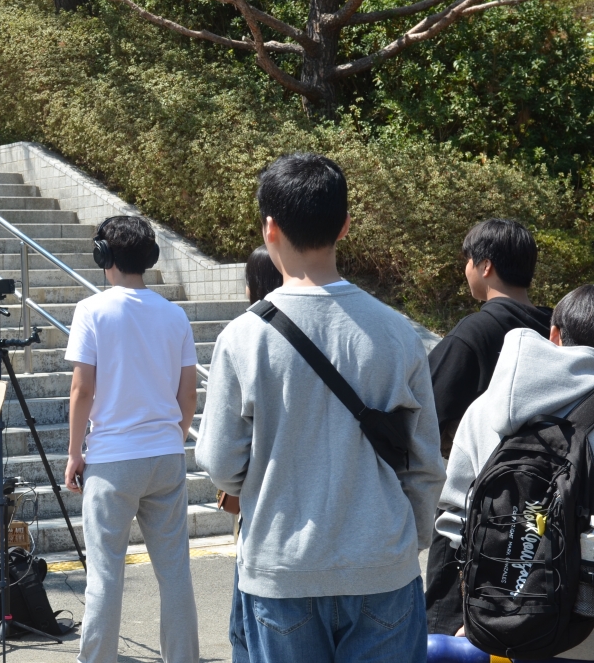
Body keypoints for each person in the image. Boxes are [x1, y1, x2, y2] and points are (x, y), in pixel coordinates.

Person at [197, 153, 445, 663]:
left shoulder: (243, 338)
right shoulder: (398, 333)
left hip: (282, 570)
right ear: (345, 225)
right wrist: (408, 541)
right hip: (382, 566)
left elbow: (220, 462)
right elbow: (425, 462)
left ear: (270, 228)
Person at [64, 215, 201, 663]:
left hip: (113, 459)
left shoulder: (92, 310)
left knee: (105, 574)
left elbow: (82, 390)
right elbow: (188, 395)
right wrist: (173, 436)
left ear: (103, 255)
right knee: (175, 572)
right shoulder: (174, 314)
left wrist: (75, 452)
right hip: (166, 455)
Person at [436, 285, 594, 658]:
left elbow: (453, 521)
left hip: (500, 619)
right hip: (581, 630)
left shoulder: (485, 408)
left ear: (554, 334)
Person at [424, 219, 552, 635]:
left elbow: (423, 416)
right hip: (544, 519)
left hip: (473, 521)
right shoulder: (556, 331)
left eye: (467, 261)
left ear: (485, 266)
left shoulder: (474, 333)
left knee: (451, 637)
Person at [226, 245, 284, 663]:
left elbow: (220, 458)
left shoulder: (245, 335)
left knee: (245, 631)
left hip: (265, 526)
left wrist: (236, 484)